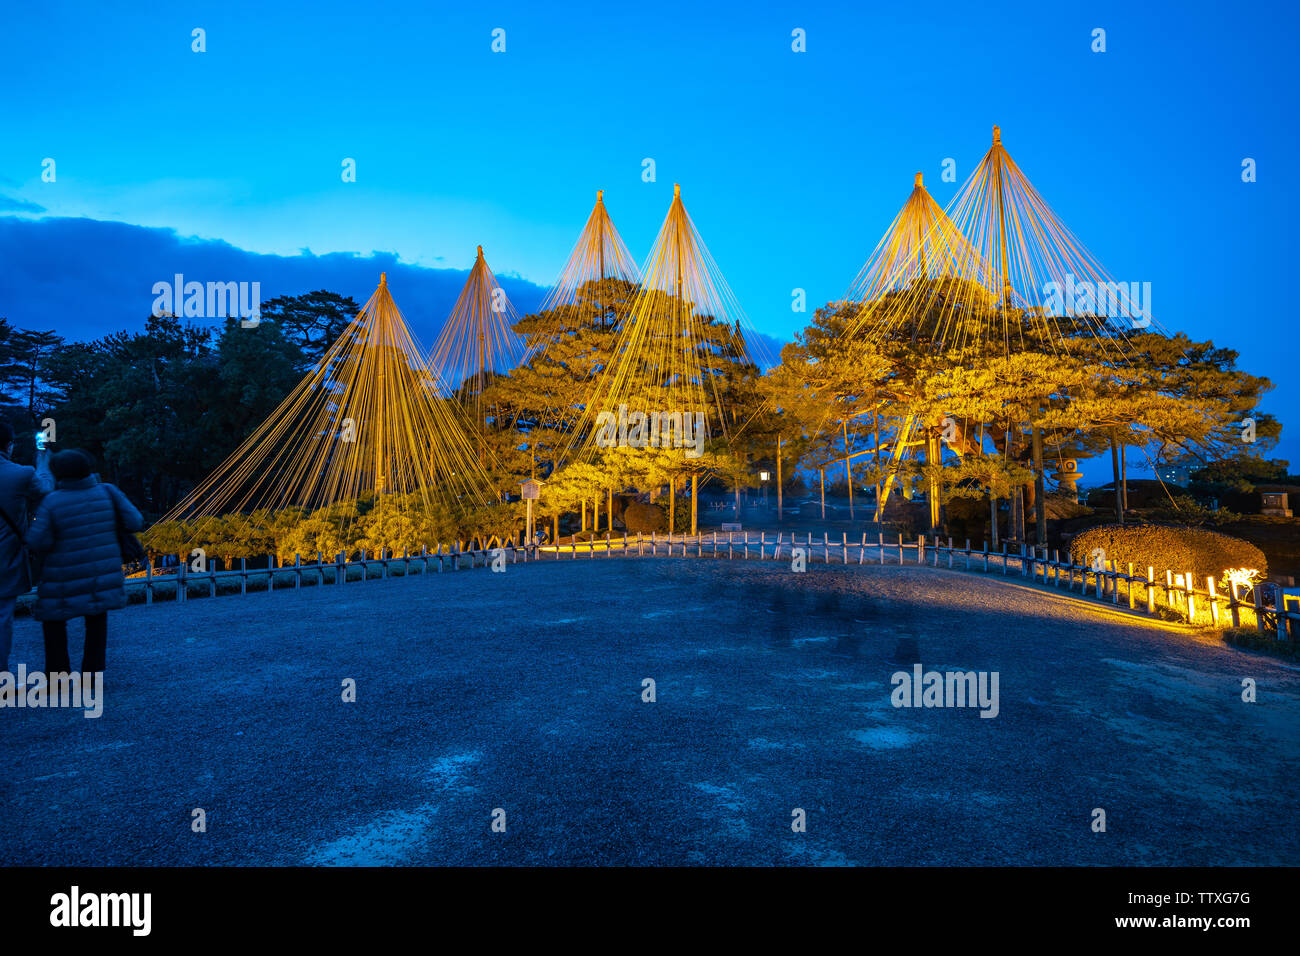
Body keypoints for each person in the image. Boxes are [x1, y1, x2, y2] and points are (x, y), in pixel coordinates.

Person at [25, 449, 142, 689]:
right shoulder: (108, 491)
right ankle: (91, 676)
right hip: (102, 571)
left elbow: (37, 541)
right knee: (97, 621)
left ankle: (58, 677)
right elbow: (135, 521)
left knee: (54, 622)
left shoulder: (53, 501)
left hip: (62, 574)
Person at [0, 419, 53, 682]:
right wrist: (42, 457)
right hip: (4, 558)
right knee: (2, 617)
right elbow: (45, 489)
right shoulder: (20, 474)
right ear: (9, 445)